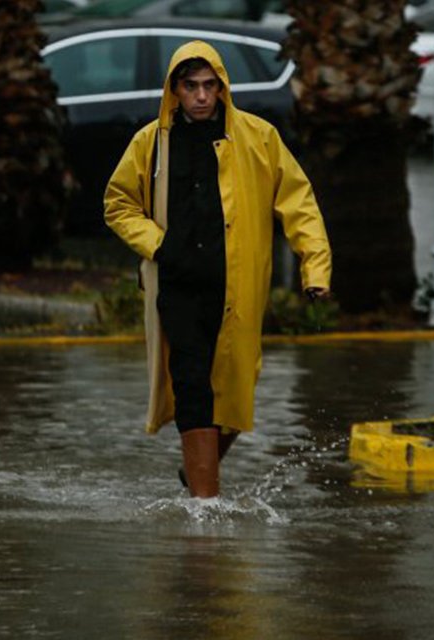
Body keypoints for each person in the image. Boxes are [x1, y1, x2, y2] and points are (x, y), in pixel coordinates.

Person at [104, 41, 332, 499]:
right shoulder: (151, 143)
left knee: (237, 386)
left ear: (223, 87)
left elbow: (298, 203)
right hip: (177, 284)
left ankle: (199, 473)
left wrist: (316, 270)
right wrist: (159, 245)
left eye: (210, 86)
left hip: (237, 286)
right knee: (191, 385)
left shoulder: (258, 137)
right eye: (191, 87)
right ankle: (205, 505)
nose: (202, 97)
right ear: (175, 90)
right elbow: (118, 202)